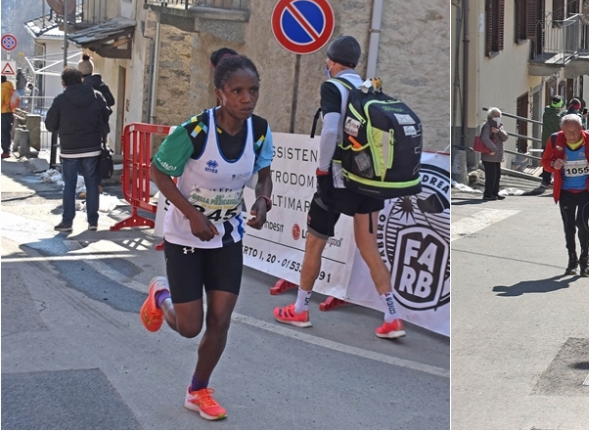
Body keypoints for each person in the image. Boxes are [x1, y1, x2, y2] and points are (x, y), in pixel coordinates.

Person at [142, 49, 274, 420]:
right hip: (186, 236)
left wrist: (263, 200)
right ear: (221, 92)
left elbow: (264, 172)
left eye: (253, 91)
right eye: (238, 92)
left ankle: (197, 390)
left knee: (220, 319)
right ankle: (160, 295)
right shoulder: (194, 131)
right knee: (189, 327)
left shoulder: (260, 130)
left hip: (228, 237)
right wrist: (193, 215)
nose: (247, 99)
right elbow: (159, 172)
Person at [272, 35, 409, 339]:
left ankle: (300, 309)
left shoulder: (332, 87)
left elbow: (331, 128)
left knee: (315, 243)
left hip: (337, 179)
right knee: (369, 247)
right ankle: (392, 316)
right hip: (370, 181)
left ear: (331, 62)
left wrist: (322, 170)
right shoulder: (369, 88)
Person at [540, 114, 589, 276]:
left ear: (581, 129)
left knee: (582, 223)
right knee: (569, 226)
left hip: (586, 191)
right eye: (567, 131)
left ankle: (585, 260)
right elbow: (544, 162)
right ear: (562, 130)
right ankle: (572, 260)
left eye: (575, 131)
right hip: (565, 191)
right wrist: (553, 164)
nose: (571, 135)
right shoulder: (555, 140)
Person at [45, 68, 110, 232]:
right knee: (92, 184)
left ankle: (67, 222)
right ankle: (93, 222)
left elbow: (50, 125)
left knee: (70, 185)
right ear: (81, 80)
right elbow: (105, 115)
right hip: (92, 148)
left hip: (69, 149)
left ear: (64, 83)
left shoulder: (61, 100)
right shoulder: (96, 96)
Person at [78, 53, 115, 141]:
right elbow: (112, 101)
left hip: (85, 129)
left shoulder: (80, 88)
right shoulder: (102, 85)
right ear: (92, 70)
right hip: (102, 127)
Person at [478, 107, 508, 200]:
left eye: (499, 115)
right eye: (495, 115)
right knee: (491, 176)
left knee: (497, 175)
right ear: (490, 116)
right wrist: (493, 149)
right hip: (489, 155)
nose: (497, 117)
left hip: (497, 156)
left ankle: (495, 193)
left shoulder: (499, 126)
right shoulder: (487, 125)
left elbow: (505, 137)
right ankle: (487, 194)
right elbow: (485, 138)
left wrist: (498, 132)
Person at [540, 96, 563, 189]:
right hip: (553, 142)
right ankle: (546, 181)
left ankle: (545, 180)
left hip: (545, 140)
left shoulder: (546, 112)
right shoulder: (556, 117)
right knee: (551, 161)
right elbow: (560, 128)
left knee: (546, 160)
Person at [1, 75, 14, 159]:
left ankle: (5, 151)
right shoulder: (11, 88)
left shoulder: (3, 89)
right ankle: (7, 150)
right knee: (7, 132)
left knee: (3, 133)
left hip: (4, 113)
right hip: (10, 113)